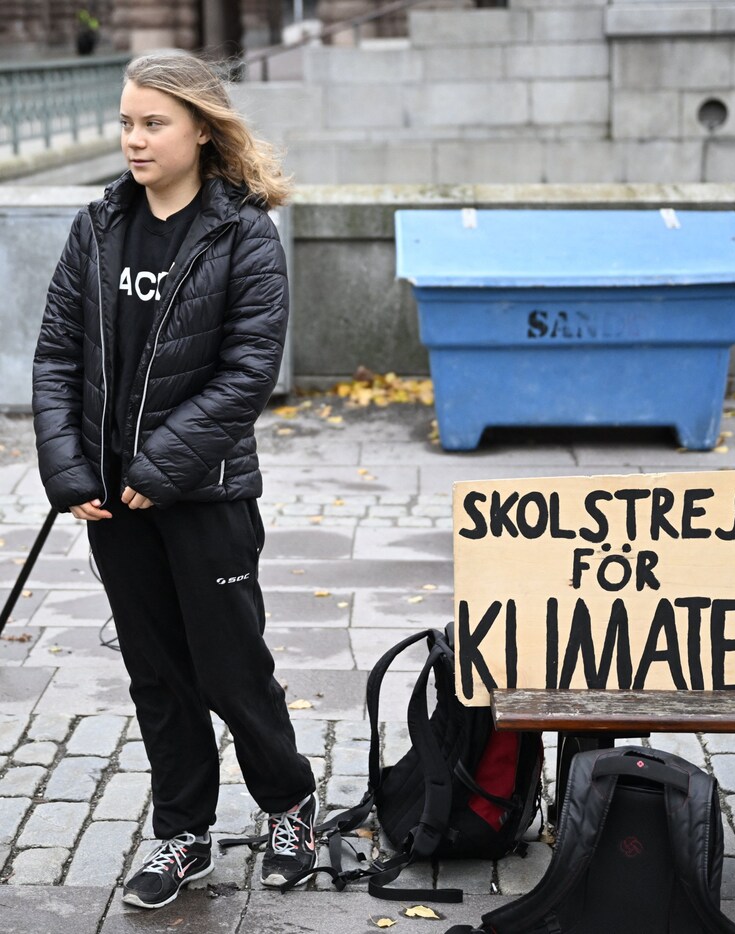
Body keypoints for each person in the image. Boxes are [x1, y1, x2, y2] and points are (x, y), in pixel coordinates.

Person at [31, 50, 317, 910]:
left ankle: (290, 803)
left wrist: (163, 467)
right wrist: (67, 470)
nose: (135, 139)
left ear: (203, 128)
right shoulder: (98, 227)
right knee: (157, 675)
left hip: (206, 497)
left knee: (232, 672)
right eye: (126, 122)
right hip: (112, 504)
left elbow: (247, 373)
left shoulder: (244, 234)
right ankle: (183, 834)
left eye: (153, 122)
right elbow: (54, 357)